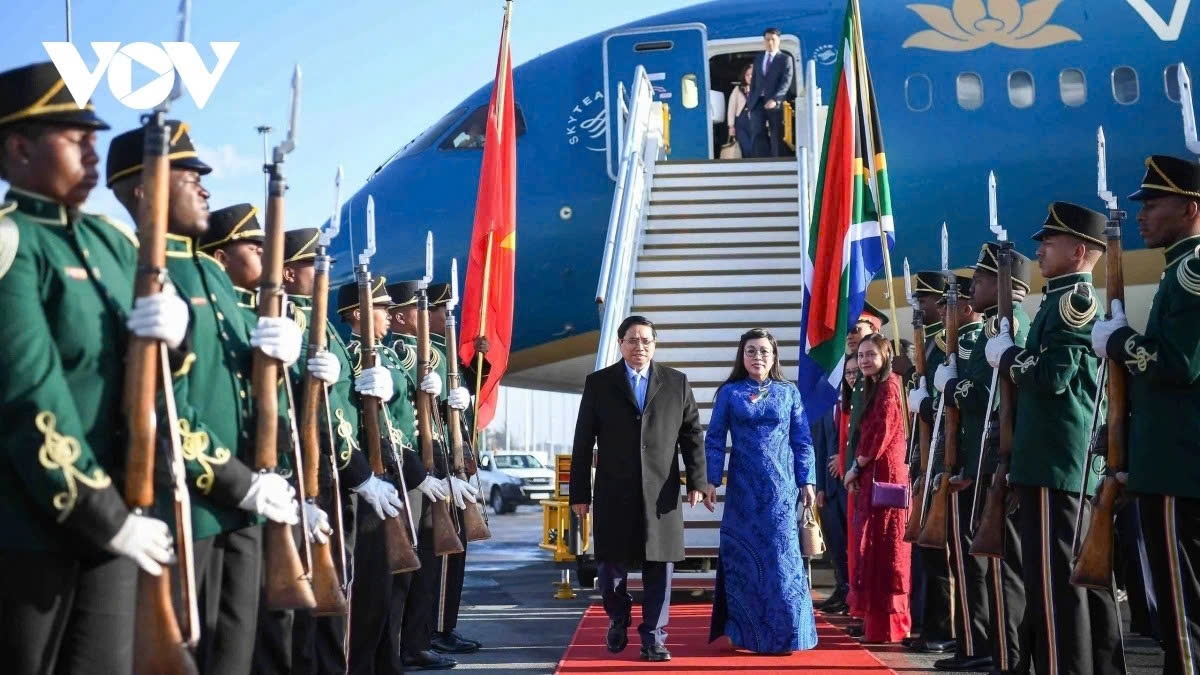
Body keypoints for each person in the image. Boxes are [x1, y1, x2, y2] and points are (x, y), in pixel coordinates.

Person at [0, 61, 181, 674]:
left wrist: (177, 337)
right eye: (74, 138)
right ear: (20, 148)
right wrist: (106, 516)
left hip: (121, 514)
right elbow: (31, 398)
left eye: (94, 138)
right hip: (33, 533)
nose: (92, 152)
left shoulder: (114, 244)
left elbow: (157, 375)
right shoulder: (13, 244)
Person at [107, 120, 308, 675]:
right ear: (143, 189)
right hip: (187, 506)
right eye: (188, 175)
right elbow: (162, 407)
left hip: (241, 505)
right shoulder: (138, 268)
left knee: (236, 655)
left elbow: (247, 391)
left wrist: (281, 360)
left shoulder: (212, 278)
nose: (203, 187)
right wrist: (240, 482)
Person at [989, 201, 1125, 675]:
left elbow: (1053, 377)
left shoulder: (1073, 303)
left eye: (1050, 241)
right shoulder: (1058, 300)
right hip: (1053, 458)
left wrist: (1008, 357)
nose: (1040, 250)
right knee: (1070, 579)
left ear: (1079, 251)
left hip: (1055, 459)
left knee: (1054, 583)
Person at [1092, 154, 1200, 675]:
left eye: (1154, 203)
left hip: (1179, 465)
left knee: (1181, 610)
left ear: (1191, 209)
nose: (1142, 214)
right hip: (1168, 461)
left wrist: (1121, 342)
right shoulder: (1179, 269)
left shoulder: (1191, 271)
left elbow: (1180, 364)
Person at [569, 315, 711, 662]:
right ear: (620, 344)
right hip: (614, 491)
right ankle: (618, 616)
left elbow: (692, 434)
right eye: (632, 340)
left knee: (660, 568)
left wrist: (697, 480)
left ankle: (654, 637)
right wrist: (579, 494)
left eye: (646, 340)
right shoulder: (600, 383)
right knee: (610, 570)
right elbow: (583, 441)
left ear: (655, 344)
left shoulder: (676, 382)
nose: (640, 347)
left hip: (661, 492)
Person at [936, 243, 1033, 673]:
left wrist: (950, 388)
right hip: (981, 459)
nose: (971, 286)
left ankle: (1005, 654)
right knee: (987, 564)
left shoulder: (1010, 326)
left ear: (1005, 285)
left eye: (980, 279)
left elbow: (988, 398)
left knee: (1002, 566)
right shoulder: (995, 328)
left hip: (995, 460)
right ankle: (992, 650)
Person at [337, 276, 438, 675]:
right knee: (370, 588)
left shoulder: (388, 359)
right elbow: (367, 427)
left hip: (395, 474)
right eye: (382, 308)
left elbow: (402, 425)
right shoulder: (353, 356)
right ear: (358, 314)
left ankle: (387, 660)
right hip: (371, 477)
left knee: (394, 581)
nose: (389, 315)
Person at [281, 228, 369, 674]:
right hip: (306, 473)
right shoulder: (285, 321)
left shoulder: (320, 323)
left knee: (335, 585)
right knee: (304, 597)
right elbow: (310, 412)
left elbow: (340, 408)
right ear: (287, 272)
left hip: (334, 469)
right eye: (313, 266)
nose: (324, 275)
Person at [705, 328, 818, 654]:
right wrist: (711, 480)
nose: (758, 357)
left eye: (764, 351)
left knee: (781, 561)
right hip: (743, 492)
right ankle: (744, 634)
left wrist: (807, 480)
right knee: (744, 562)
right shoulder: (730, 393)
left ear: (774, 356)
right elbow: (715, 439)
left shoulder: (788, 392)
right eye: (751, 351)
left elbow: (802, 440)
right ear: (742, 356)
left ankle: (787, 635)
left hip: (781, 491)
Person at [384, 279, 464, 672]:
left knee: (430, 562)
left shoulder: (431, 352)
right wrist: (421, 474)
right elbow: (400, 424)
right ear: (402, 316)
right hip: (411, 469)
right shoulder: (399, 354)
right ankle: (406, 644)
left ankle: (418, 640)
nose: (432, 315)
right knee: (411, 565)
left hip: (435, 464)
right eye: (423, 309)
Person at [844, 333, 912, 644]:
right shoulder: (874, 387)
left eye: (871, 354)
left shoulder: (889, 386)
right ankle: (877, 625)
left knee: (888, 550)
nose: (864, 360)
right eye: (861, 355)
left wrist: (856, 466)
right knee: (873, 548)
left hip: (886, 476)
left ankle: (892, 626)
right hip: (875, 473)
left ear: (885, 356)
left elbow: (879, 433)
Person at [902, 271, 955, 655]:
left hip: (942, 457)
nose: (918, 306)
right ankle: (929, 623)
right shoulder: (931, 344)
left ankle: (943, 628)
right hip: (927, 458)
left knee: (941, 553)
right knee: (927, 549)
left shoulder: (946, 343)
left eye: (923, 300)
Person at [812, 355, 856, 615]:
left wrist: (845, 457)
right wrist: (819, 486)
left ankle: (855, 594)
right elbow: (818, 445)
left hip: (852, 484)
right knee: (836, 543)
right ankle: (842, 588)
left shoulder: (860, 400)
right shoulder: (827, 404)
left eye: (851, 372)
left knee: (854, 543)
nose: (847, 377)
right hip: (829, 487)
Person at [746, 27, 793, 157]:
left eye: (773, 39)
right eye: (767, 39)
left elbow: (786, 82)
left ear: (779, 41)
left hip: (775, 103)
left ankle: (777, 160)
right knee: (757, 132)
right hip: (758, 102)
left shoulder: (785, 59)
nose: (770, 42)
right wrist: (750, 103)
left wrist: (776, 99)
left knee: (776, 133)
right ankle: (760, 160)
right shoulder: (759, 58)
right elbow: (754, 82)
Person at [725, 63, 753, 158]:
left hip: (756, 121)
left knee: (756, 147)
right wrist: (731, 126)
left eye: (752, 74)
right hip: (741, 121)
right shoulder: (737, 89)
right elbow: (731, 108)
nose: (750, 77)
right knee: (746, 147)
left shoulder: (760, 89)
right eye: (747, 75)